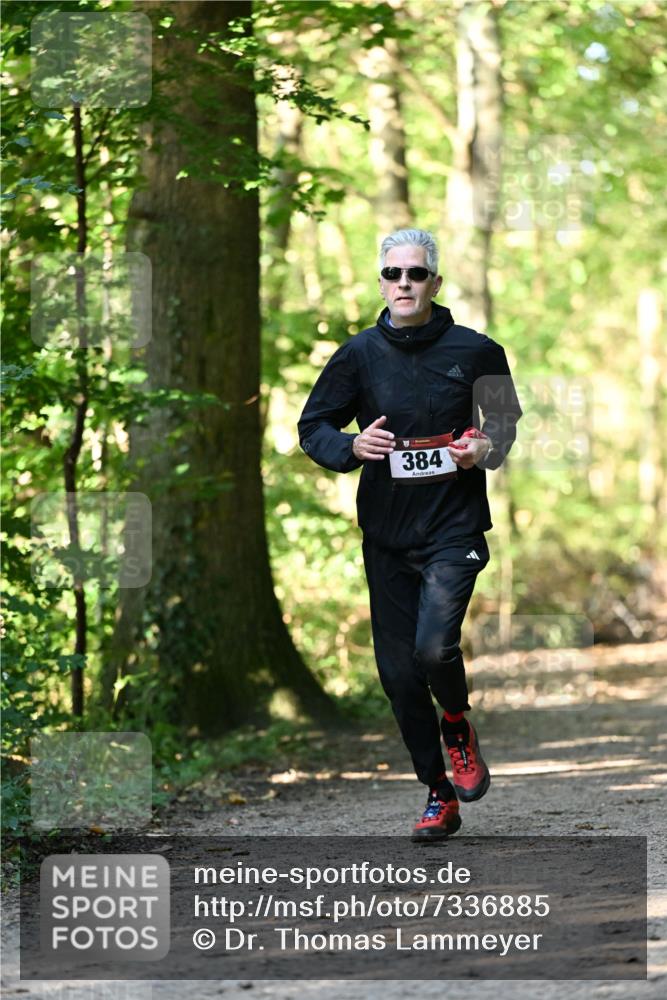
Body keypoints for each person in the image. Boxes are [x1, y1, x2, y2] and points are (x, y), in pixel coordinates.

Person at [297, 228, 522, 841]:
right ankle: (437, 793)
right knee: (397, 675)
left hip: (454, 527)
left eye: (416, 273)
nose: (404, 283)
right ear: (381, 284)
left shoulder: (477, 350)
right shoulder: (357, 355)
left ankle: (457, 723)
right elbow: (313, 426)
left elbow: (504, 419)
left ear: (434, 283)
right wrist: (351, 446)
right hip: (387, 535)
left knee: (432, 650)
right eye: (393, 274)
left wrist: (485, 447)